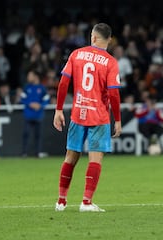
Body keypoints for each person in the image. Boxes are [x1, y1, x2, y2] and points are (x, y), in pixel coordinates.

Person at [53, 23, 122, 213]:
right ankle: (86, 202)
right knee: (95, 159)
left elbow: (63, 82)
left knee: (70, 157)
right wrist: (117, 119)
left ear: (93, 37)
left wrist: (59, 109)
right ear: (109, 39)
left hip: (77, 112)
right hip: (98, 115)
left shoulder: (76, 54)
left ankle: (61, 201)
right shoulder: (110, 62)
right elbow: (114, 94)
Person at [20, 70, 50, 158]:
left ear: (35, 77)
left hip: (38, 115)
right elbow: (22, 98)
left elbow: (47, 99)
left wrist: (40, 105)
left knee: (38, 135)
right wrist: (30, 104)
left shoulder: (42, 88)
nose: (28, 78)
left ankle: (38, 152)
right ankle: (24, 152)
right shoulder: (26, 87)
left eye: (30, 76)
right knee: (26, 134)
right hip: (28, 115)